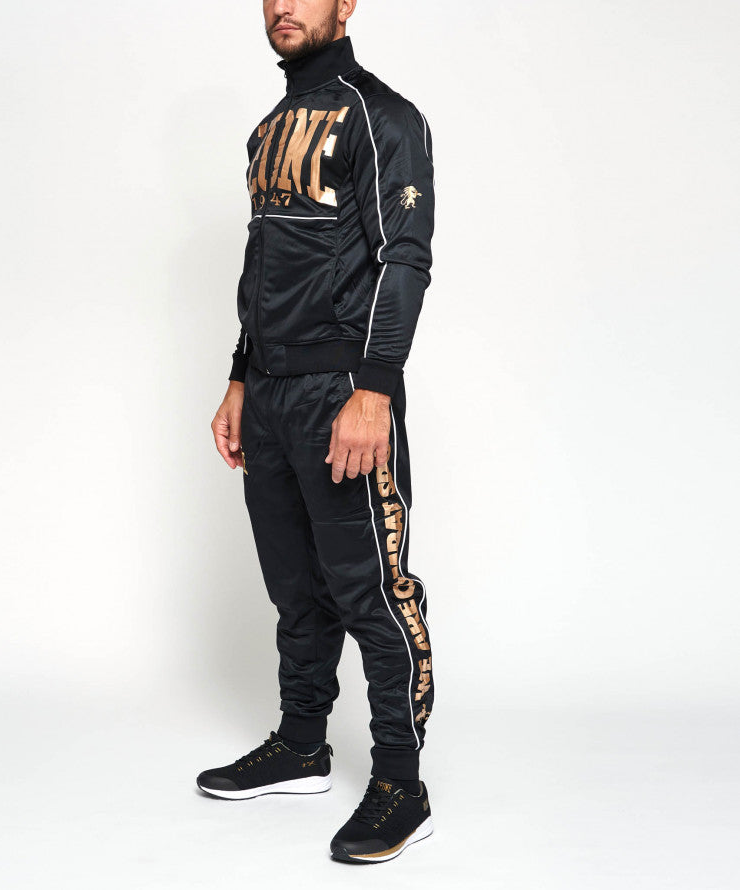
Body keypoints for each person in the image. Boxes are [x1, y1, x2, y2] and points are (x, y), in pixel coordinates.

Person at [201, 0, 436, 864]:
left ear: (346, 4)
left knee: (372, 589)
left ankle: (401, 785)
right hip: (269, 391)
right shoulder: (269, 129)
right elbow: (264, 261)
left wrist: (374, 387)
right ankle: (302, 745)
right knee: (294, 587)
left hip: (341, 388)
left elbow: (404, 256)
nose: (282, 6)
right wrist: (240, 376)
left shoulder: (383, 116)